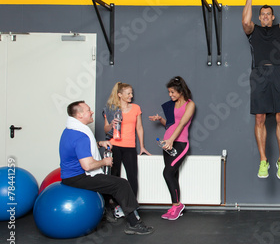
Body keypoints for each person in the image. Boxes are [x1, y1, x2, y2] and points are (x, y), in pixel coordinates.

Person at [59, 101, 154, 235]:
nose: (91, 112)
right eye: (88, 110)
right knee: (121, 184)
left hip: (68, 176)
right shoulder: (81, 135)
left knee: (109, 181)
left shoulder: (70, 130)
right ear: (80, 115)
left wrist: (99, 143)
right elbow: (87, 165)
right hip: (78, 177)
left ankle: (107, 212)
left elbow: (77, 151)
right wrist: (104, 161)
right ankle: (134, 223)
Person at [242, 0, 280, 179]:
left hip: (279, 72)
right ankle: (264, 161)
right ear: (260, 18)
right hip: (259, 74)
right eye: (262, 15)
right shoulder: (252, 31)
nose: (265, 17)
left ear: (272, 17)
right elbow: (246, 22)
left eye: (268, 14)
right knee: (260, 118)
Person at [149, 76, 195, 220]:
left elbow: (181, 124)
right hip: (167, 143)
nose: (170, 95)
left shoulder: (190, 104)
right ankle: (175, 206)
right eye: (169, 92)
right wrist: (161, 120)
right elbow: (171, 124)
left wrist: (171, 140)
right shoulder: (171, 105)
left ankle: (177, 205)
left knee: (167, 173)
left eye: (173, 92)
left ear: (181, 91)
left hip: (180, 143)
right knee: (172, 175)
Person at [103, 82, 150, 216]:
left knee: (132, 178)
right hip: (114, 145)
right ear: (120, 95)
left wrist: (142, 147)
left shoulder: (136, 108)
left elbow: (139, 128)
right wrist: (111, 124)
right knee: (114, 177)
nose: (131, 95)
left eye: (131, 93)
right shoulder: (111, 109)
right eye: (128, 93)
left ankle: (131, 207)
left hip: (129, 147)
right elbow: (106, 129)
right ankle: (115, 206)